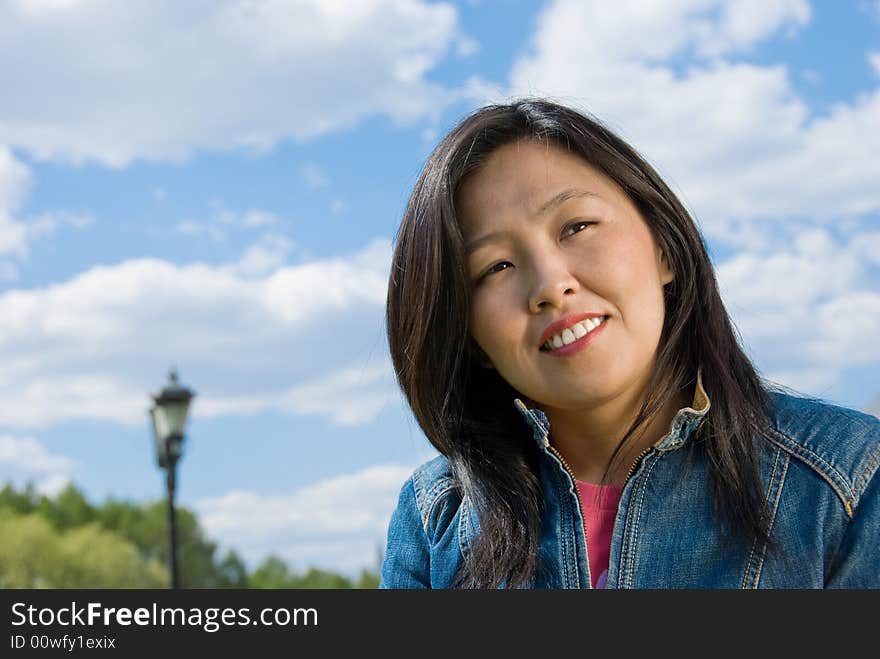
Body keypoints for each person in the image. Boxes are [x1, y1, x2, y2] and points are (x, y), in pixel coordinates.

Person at [380, 99, 880, 589]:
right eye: (495, 268)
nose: (551, 285)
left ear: (665, 248)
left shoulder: (847, 481)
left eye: (577, 227)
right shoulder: (433, 519)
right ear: (469, 338)